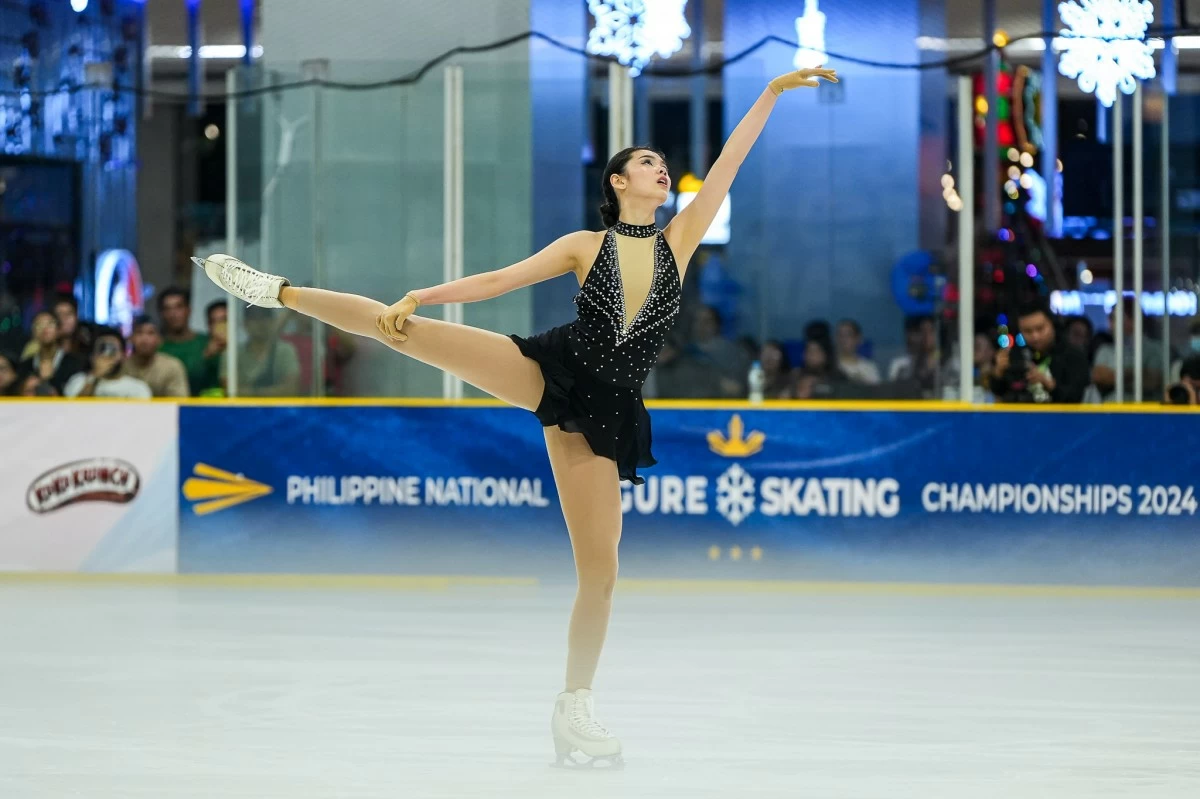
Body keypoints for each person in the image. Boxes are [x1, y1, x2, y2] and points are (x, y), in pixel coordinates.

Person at [193, 66, 837, 768]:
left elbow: (728, 163)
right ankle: (276, 291)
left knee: (602, 572)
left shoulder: (678, 242)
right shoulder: (582, 246)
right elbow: (499, 280)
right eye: (646, 163)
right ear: (619, 182)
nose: (661, 169)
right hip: (546, 370)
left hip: (606, 409)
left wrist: (771, 93)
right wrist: (422, 292)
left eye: (662, 164)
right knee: (397, 328)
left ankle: (573, 707)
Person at [990, 304, 1089, 404]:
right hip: (1021, 418)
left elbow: (1076, 399)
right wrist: (998, 372)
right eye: (1027, 331)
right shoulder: (1016, 355)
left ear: (1052, 324)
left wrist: (1048, 384)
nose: (1035, 336)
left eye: (1040, 328)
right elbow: (999, 392)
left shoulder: (1073, 356)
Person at [64, 328, 153, 399]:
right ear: (92, 356)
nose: (106, 356)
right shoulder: (78, 382)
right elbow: (74, 413)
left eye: (112, 350)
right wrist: (93, 377)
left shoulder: (138, 388)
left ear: (123, 356)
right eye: (102, 349)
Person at [122, 316, 190, 398]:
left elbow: (179, 403)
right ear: (131, 338)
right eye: (139, 333)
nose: (144, 339)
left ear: (160, 340)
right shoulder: (122, 366)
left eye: (151, 333)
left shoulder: (172, 367)